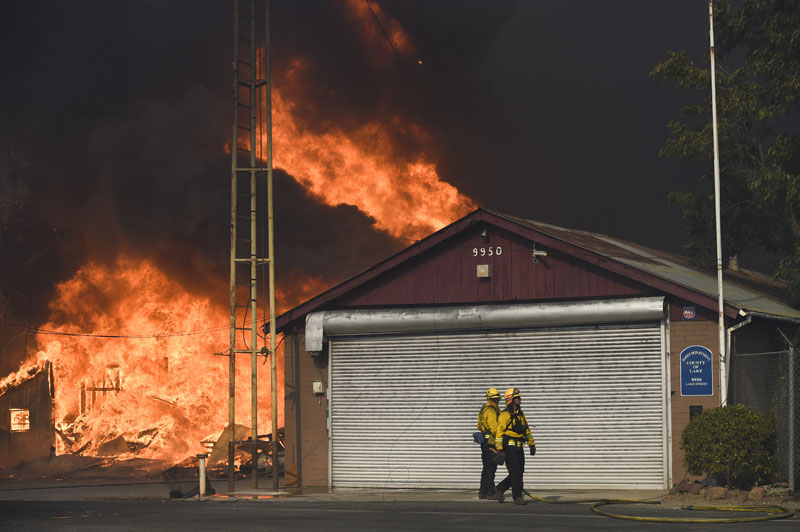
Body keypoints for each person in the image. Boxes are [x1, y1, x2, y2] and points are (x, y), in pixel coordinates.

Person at [494, 387, 536, 505]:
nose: (520, 399)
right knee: (516, 472)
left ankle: (500, 488)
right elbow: (499, 433)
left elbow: (526, 430)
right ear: (510, 400)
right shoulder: (505, 415)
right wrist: (499, 448)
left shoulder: (521, 415)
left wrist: (531, 444)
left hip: (519, 447)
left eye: (519, 397)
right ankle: (517, 497)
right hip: (509, 448)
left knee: (519, 472)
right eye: (517, 398)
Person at [476, 387, 501, 499]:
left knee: (486, 468)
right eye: (495, 400)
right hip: (491, 443)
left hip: (485, 443)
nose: (497, 402)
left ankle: (482, 491)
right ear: (490, 399)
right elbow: (495, 429)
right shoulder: (491, 410)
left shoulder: (484, 409)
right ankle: (490, 492)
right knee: (491, 468)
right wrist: (499, 443)